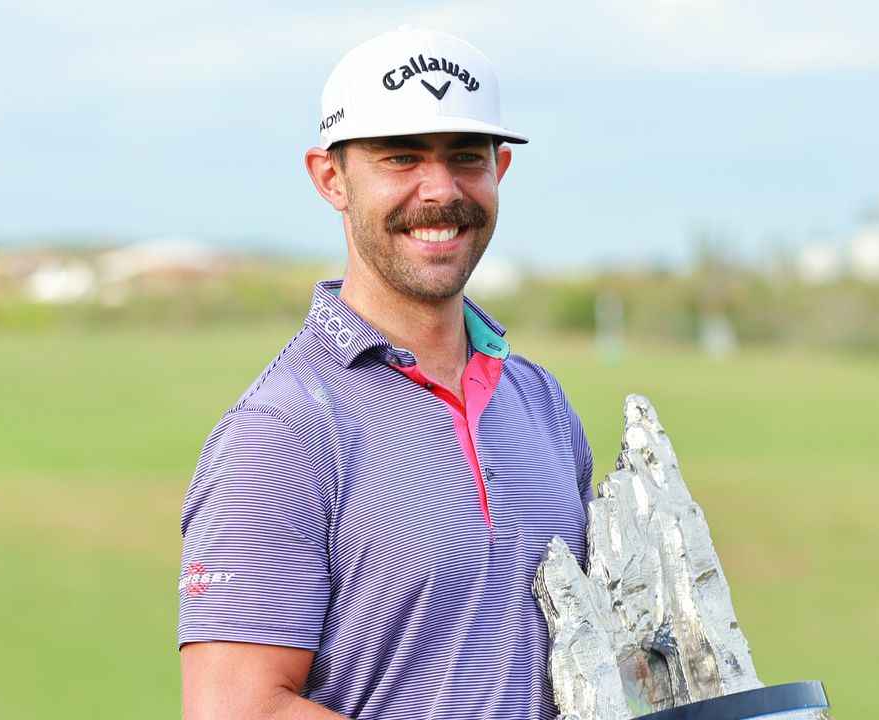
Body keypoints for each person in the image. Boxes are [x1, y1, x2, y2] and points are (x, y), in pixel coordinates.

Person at [177, 25, 594, 720]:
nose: (440, 190)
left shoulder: (542, 402)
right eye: (401, 159)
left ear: (500, 173)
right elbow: (237, 711)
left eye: (466, 157)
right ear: (330, 178)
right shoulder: (281, 429)